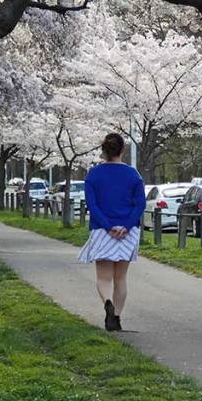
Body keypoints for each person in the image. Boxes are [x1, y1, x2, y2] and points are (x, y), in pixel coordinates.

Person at [77, 133, 145, 332]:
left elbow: (92, 204)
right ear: (123, 150)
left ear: (103, 150)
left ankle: (107, 302)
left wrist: (108, 226)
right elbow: (140, 203)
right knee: (121, 278)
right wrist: (126, 225)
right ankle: (116, 317)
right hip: (128, 231)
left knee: (103, 277)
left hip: (101, 230)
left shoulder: (93, 175)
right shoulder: (133, 175)